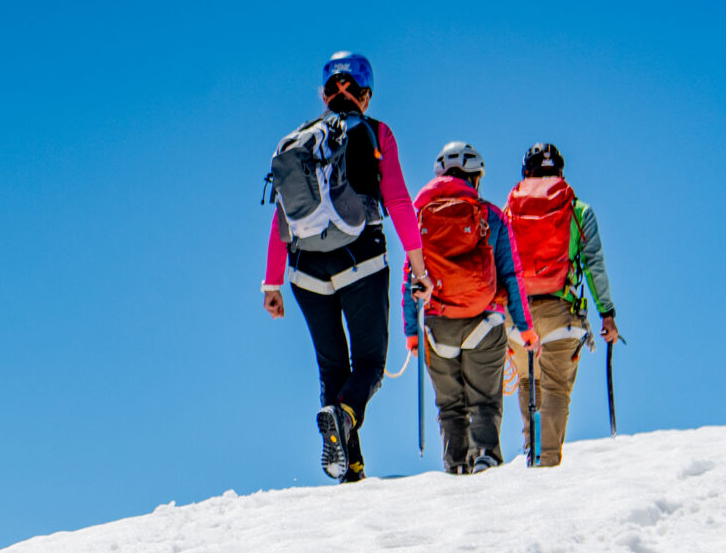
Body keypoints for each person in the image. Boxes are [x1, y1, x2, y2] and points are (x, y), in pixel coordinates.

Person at [262, 52, 423, 483]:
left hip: (303, 271)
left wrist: (271, 284)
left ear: (325, 94)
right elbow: (400, 202)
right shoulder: (375, 131)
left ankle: (350, 466)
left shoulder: (298, 140)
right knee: (370, 363)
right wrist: (419, 265)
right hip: (361, 258)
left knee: (332, 368)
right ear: (365, 97)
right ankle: (345, 414)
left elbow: (281, 217)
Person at [403, 143, 535, 473]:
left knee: (450, 405)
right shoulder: (490, 215)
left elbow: (411, 277)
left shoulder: (419, 217)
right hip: (485, 322)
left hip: (436, 325)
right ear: (475, 178)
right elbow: (512, 274)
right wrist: (525, 327)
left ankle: (456, 466)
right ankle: (487, 458)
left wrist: (411, 330)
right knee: (485, 399)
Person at [504, 144, 621, 466]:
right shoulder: (578, 209)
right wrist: (607, 314)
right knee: (556, 389)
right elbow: (594, 264)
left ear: (525, 173)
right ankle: (547, 460)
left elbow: (497, 262)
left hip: (518, 317)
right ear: (561, 173)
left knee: (529, 381)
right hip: (562, 313)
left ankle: (533, 450)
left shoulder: (510, 209)